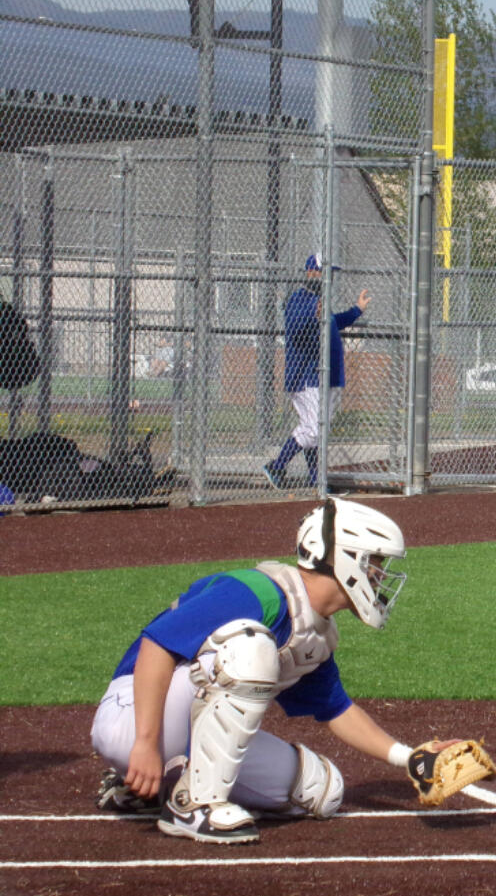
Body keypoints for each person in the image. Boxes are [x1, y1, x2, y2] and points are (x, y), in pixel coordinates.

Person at [90, 496, 422, 844]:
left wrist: (410, 758)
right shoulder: (257, 592)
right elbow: (156, 647)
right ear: (344, 558)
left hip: (175, 728)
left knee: (323, 789)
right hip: (132, 717)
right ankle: (195, 806)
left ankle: (150, 791)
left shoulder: (314, 630)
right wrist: (144, 744)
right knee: (249, 648)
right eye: (375, 564)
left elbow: (337, 711)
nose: (380, 576)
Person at [263, 254, 371, 489]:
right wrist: (313, 315)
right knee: (314, 429)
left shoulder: (320, 300)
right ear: (312, 272)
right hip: (306, 374)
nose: (327, 277)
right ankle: (277, 466)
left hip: (328, 374)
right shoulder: (300, 299)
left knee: (319, 429)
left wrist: (356, 310)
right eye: (324, 272)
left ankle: (315, 479)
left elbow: (333, 321)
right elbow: (294, 327)